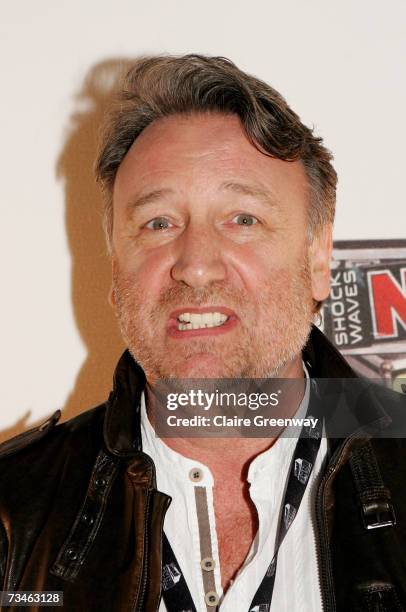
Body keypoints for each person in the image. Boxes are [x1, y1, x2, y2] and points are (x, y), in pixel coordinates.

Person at [0, 55, 405, 612]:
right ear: (116, 267)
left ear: (316, 256)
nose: (195, 264)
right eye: (158, 223)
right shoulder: (11, 515)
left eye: (242, 219)